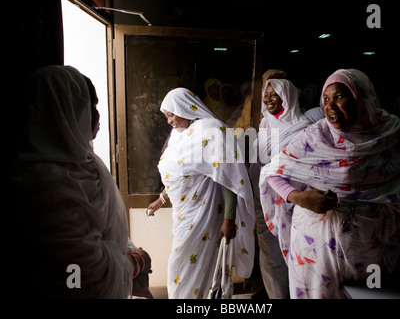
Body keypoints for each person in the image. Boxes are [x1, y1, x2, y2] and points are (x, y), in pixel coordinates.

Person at [259, 69, 400, 299]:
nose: (330, 106)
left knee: (367, 293)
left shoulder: (390, 133)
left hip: (370, 238)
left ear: (361, 97)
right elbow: (272, 171)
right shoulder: (316, 136)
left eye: (339, 97)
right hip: (316, 241)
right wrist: (298, 197)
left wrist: (387, 202)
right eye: (326, 99)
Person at [11, 65, 151, 298]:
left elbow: (108, 225)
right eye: (88, 106)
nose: (96, 116)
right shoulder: (46, 187)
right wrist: (136, 263)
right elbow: (78, 276)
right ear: (61, 112)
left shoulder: (84, 162)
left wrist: (126, 250)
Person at [147, 87, 255, 299]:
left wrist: (229, 219)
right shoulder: (179, 135)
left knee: (186, 266)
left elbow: (229, 177)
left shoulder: (212, 132)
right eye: (166, 116)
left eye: (171, 114)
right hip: (184, 214)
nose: (169, 121)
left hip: (204, 216)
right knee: (183, 265)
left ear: (184, 108)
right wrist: (162, 198)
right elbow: (182, 174)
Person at [249, 79, 312, 298]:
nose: (267, 99)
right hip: (264, 200)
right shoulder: (264, 125)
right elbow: (258, 162)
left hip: (294, 202)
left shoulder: (303, 128)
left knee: (298, 253)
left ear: (287, 97)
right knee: (270, 254)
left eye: (273, 94)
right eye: (266, 95)